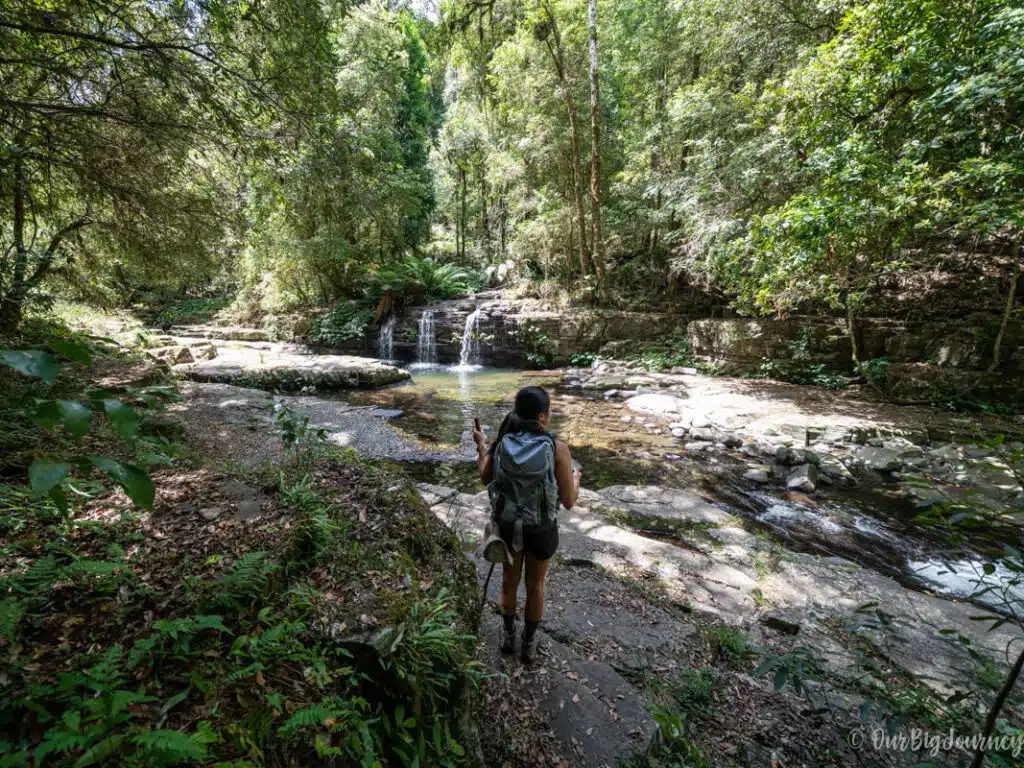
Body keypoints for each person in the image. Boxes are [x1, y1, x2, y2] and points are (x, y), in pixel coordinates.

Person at [472, 386, 581, 663]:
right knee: (535, 586)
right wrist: (576, 478)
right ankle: (529, 644)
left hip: (508, 526)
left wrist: (481, 445)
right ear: (543, 417)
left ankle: (508, 637)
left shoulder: (503, 441)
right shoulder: (557, 448)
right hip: (541, 528)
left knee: (509, 583)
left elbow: (486, 478)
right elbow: (568, 501)